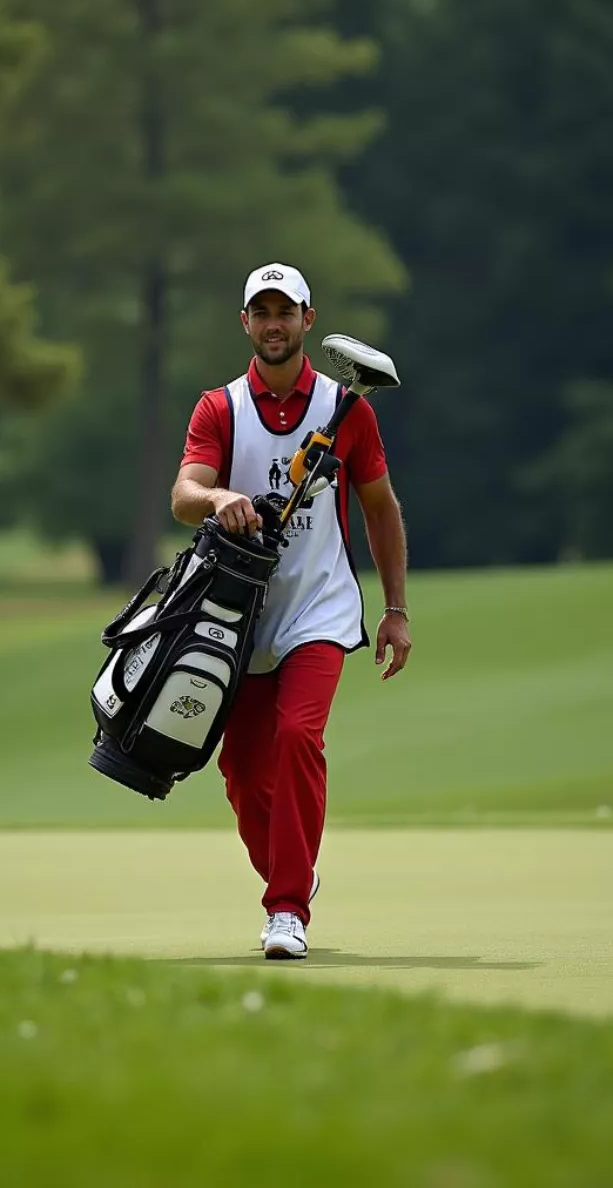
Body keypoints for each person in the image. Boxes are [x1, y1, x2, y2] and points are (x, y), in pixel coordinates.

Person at [171, 262, 411, 959]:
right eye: (262, 312)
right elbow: (185, 492)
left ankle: (286, 909)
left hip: (319, 608)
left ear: (309, 320)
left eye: (287, 312)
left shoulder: (348, 409)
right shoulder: (219, 408)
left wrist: (395, 609)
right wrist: (219, 499)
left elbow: (380, 509)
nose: (274, 324)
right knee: (243, 771)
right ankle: (293, 876)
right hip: (236, 615)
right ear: (244, 323)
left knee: (298, 737)